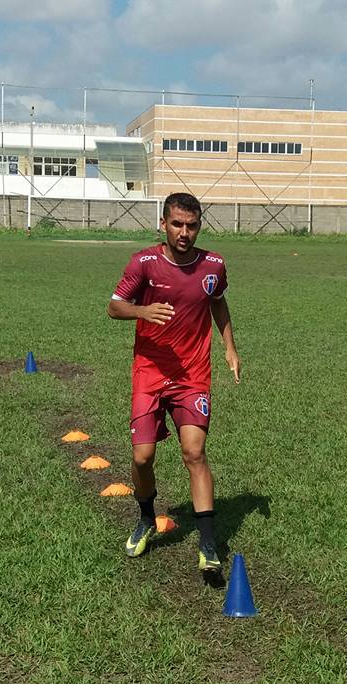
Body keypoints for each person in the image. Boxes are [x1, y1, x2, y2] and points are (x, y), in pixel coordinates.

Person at [107, 192, 241, 575]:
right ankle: (147, 518)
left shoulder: (213, 264)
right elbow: (113, 306)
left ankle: (209, 542)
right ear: (163, 225)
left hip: (192, 375)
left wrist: (229, 347)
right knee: (141, 457)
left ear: (199, 226)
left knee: (194, 453)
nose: (185, 233)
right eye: (177, 224)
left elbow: (217, 300)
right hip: (149, 372)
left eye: (192, 225)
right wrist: (142, 310)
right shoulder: (144, 263)